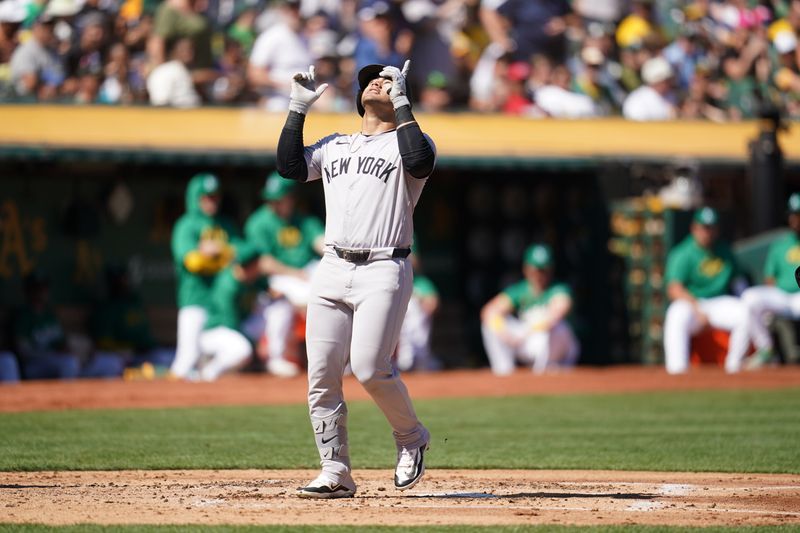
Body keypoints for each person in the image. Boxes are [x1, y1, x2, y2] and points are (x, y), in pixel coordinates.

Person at [276, 59, 436, 498]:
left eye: (387, 81)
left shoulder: (411, 143)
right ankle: (335, 471)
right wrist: (297, 109)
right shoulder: (336, 144)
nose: (378, 84)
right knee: (321, 375)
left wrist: (403, 101)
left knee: (369, 368)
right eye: (371, 81)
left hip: (385, 265)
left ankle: (411, 438)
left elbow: (420, 162)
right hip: (332, 266)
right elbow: (290, 168)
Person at [244, 171, 324, 378]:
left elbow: (321, 243)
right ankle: (276, 357)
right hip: (273, 282)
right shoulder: (259, 222)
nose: (274, 204)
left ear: (291, 199)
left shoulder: (303, 220)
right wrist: (294, 273)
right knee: (283, 304)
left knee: (330, 296)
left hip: (304, 274)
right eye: (271, 200)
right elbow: (263, 262)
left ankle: (336, 357)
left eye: (279, 199)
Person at [663, 206, 750, 374]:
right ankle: (677, 371)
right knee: (676, 313)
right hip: (693, 303)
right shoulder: (683, 253)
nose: (707, 232)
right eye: (704, 228)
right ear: (694, 228)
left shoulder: (724, 251)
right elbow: (674, 289)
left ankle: (734, 367)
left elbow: (738, 283)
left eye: (711, 228)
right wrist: (697, 308)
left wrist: (746, 299)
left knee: (746, 313)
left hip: (719, 302)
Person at [169, 172, 239, 380]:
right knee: (186, 359)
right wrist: (221, 255)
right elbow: (192, 261)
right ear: (195, 197)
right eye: (207, 197)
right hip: (194, 301)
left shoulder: (225, 225)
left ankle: (203, 389)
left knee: (237, 350)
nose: (212, 201)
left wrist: (216, 251)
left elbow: (240, 252)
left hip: (220, 305)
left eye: (215, 196)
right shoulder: (186, 225)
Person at [480, 243, 580, 375]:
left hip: (557, 348)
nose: (539, 275)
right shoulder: (520, 290)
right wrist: (504, 333)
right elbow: (489, 311)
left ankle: (544, 371)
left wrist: (527, 332)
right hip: (529, 343)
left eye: (544, 270)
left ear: (551, 270)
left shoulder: (558, 289)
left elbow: (557, 312)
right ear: (526, 269)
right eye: (536, 269)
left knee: (558, 326)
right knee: (491, 324)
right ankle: (503, 373)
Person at [740, 193, 800, 369]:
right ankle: (766, 349)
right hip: (783, 296)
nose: (796, 219)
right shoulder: (780, 245)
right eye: (794, 215)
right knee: (750, 297)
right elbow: (769, 278)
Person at [194, 243, 262, 381]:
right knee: (242, 350)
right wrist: (253, 344)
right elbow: (229, 322)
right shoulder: (227, 285)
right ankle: (208, 373)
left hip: (235, 329)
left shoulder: (253, 280)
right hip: (216, 331)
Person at [12, 272, 80, 380]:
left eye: (44, 288)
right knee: (68, 363)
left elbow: (61, 342)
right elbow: (23, 351)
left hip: (53, 361)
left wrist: (66, 349)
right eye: (37, 288)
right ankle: (68, 395)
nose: (42, 292)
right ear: (28, 291)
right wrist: (51, 354)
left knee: (72, 360)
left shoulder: (49, 315)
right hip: (33, 365)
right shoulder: (23, 316)